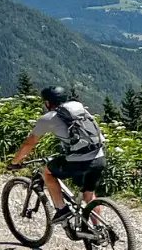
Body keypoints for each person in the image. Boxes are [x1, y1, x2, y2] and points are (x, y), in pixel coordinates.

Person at [9, 86, 107, 224]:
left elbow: (29, 144)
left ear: (48, 103)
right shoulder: (77, 106)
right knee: (89, 195)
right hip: (99, 157)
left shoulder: (47, 119)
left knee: (48, 172)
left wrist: (15, 162)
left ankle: (61, 210)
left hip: (79, 161)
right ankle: (98, 230)